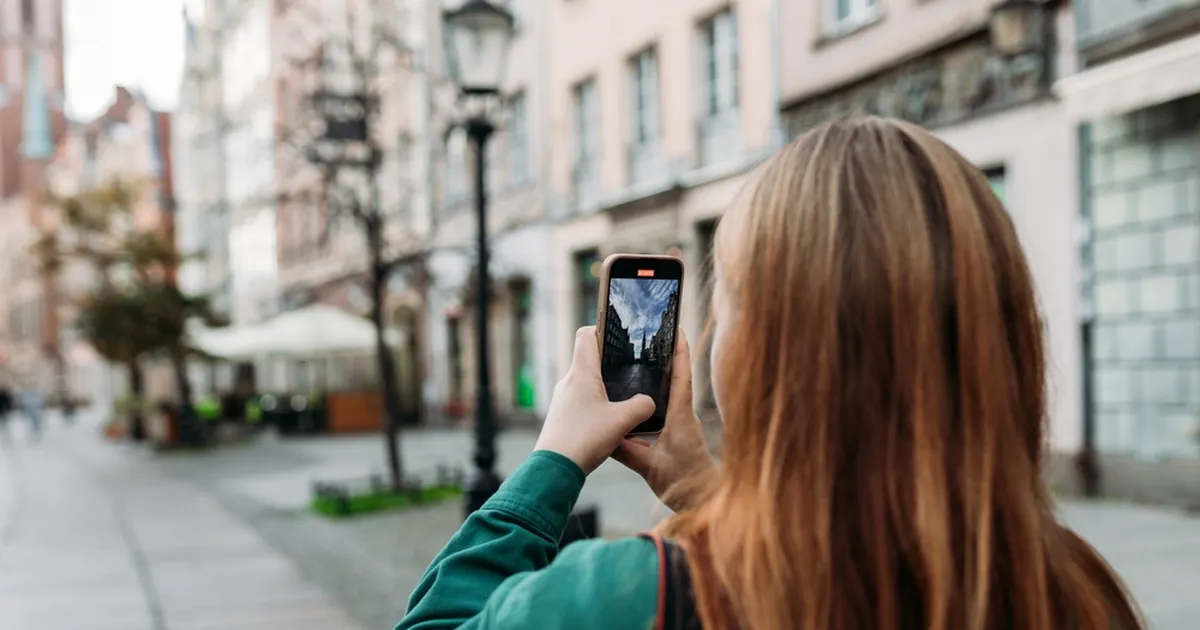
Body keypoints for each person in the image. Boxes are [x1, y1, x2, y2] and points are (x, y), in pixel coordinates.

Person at [397, 117, 1144, 630]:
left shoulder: (631, 595)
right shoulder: (1075, 591)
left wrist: (551, 465)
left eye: (734, 299)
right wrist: (702, 492)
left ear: (766, 351)